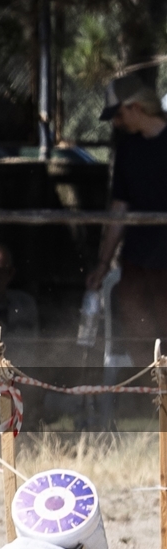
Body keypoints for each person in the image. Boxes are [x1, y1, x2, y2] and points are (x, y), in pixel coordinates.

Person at [85, 74, 167, 361]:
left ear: (136, 107)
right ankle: (151, 401)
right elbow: (119, 209)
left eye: (119, 114)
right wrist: (104, 263)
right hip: (137, 262)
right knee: (140, 338)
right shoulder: (128, 150)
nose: (117, 123)